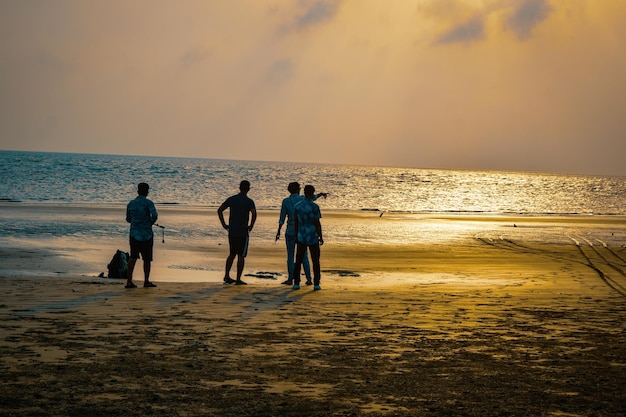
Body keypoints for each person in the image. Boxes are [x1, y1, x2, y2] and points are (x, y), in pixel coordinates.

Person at [275, 182, 327, 286]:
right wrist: (320, 194)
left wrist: (278, 230)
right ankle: (309, 278)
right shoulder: (302, 199)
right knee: (304, 257)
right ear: (298, 190)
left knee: (291, 256)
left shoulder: (286, 201)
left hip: (290, 231)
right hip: (303, 232)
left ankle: (291, 279)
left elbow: (282, 217)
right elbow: (313, 198)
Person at [218, 180, 257, 285]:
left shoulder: (232, 199)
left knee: (232, 254)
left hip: (232, 231)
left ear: (239, 188)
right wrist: (251, 226)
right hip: (242, 231)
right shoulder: (249, 201)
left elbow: (220, 210)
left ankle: (227, 275)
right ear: (248, 189)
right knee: (241, 255)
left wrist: (224, 224)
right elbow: (254, 213)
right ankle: (238, 278)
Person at [125, 182, 158, 289]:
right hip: (147, 234)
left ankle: (129, 281)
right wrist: (150, 222)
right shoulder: (149, 203)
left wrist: (136, 222)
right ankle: (146, 281)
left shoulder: (131, 203)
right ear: (147, 192)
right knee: (147, 259)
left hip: (134, 233)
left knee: (133, 257)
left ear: (138, 191)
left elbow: (128, 219)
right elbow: (155, 215)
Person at [292, 185, 324, 291]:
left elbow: (296, 222)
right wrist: (320, 236)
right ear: (312, 193)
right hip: (312, 235)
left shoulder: (297, 206)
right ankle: (316, 283)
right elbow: (317, 222)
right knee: (315, 260)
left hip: (301, 235)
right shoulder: (315, 207)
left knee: (298, 259)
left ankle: (296, 282)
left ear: (304, 193)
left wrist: (296, 235)